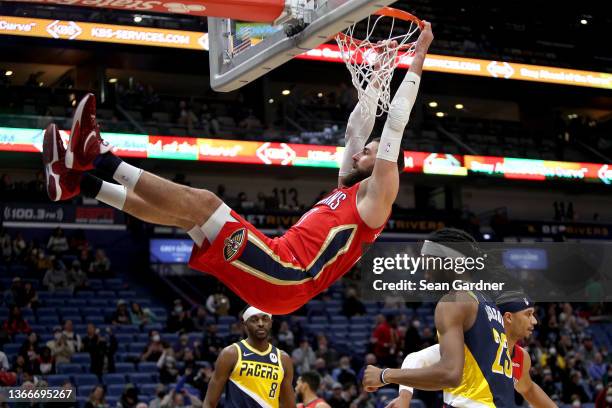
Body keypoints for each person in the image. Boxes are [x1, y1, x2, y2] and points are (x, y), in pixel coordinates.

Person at [42, 23, 434, 314]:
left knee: (204, 204)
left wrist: (415, 60)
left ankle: (101, 157)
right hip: (281, 271)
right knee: (188, 218)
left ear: (385, 165)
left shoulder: (378, 197)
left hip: (288, 274)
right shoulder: (347, 190)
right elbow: (354, 130)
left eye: (371, 152)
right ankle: (81, 182)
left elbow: (393, 127)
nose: (363, 152)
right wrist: (376, 73)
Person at [362, 228, 515, 408]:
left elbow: (450, 374)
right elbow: (420, 358)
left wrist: (385, 375)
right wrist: (404, 395)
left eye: (428, 261)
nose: (425, 271)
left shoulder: (453, 301)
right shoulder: (487, 305)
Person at [384, 291, 557, 408]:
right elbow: (415, 359)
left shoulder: (521, 357)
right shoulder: (474, 344)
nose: (534, 321)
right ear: (508, 318)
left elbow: (528, 388)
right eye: (528, 314)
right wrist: (404, 396)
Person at [203, 306, 295, 408]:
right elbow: (209, 402)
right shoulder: (231, 354)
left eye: (265, 319)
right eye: (254, 320)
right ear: (245, 324)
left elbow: (289, 405)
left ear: (271, 323)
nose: (260, 324)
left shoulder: (283, 359)